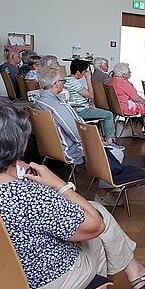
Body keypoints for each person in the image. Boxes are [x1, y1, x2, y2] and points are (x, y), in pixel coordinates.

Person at [0, 105, 145, 289]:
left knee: (90, 218)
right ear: (16, 145)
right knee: (96, 228)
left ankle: (135, 274)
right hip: (41, 288)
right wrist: (58, 184)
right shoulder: (30, 196)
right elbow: (96, 226)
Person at [35, 66, 124, 206]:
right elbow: (76, 133)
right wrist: (97, 142)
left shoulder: (39, 102)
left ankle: (109, 186)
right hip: (70, 150)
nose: (64, 83)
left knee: (107, 147)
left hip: (52, 148)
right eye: (62, 81)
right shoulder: (57, 106)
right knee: (116, 152)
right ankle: (102, 193)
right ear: (56, 83)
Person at [64, 59, 119, 145]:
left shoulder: (66, 80)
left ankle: (102, 141)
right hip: (81, 111)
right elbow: (91, 95)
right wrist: (88, 79)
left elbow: (83, 94)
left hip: (76, 109)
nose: (84, 74)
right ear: (78, 72)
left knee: (101, 114)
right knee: (109, 114)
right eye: (83, 72)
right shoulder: (74, 82)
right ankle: (110, 142)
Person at [109, 62, 145, 138]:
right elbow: (135, 98)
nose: (130, 73)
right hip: (124, 108)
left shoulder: (112, 80)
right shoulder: (123, 82)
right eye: (129, 72)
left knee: (142, 106)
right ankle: (137, 131)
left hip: (115, 107)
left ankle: (135, 130)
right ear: (123, 74)